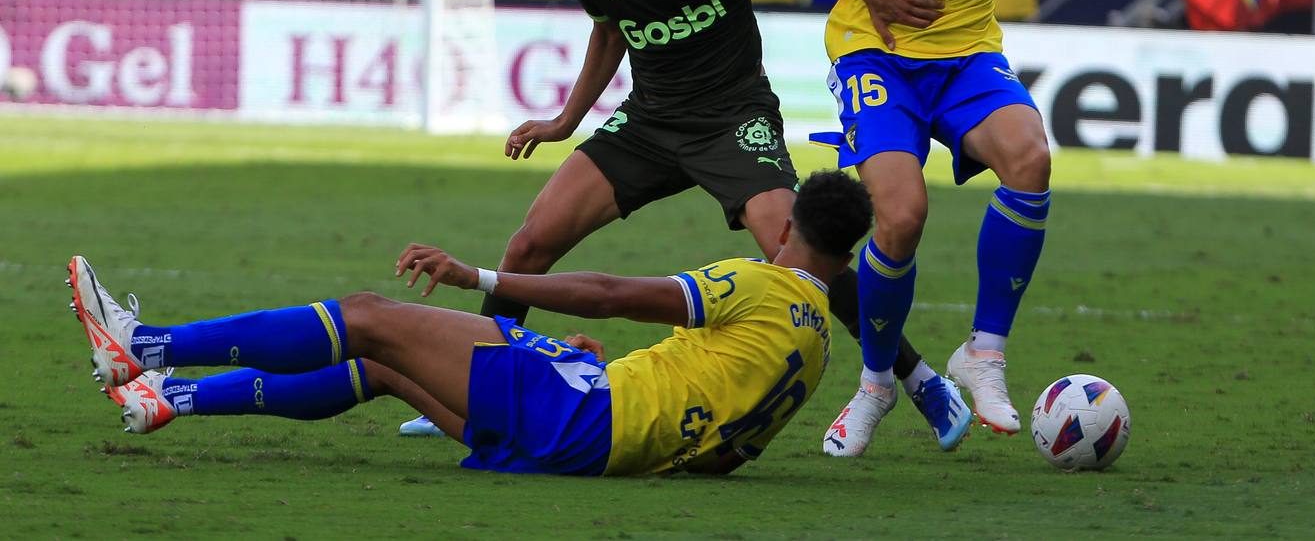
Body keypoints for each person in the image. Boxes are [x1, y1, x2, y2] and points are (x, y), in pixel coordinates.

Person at [394, 0, 972, 452]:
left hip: (733, 119)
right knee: (530, 244)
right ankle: (475, 384)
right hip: (648, 122)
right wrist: (565, 121)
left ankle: (919, 381)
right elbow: (611, 33)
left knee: (801, 257)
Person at [69, 171, 873, 476]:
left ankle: (142, 346)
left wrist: (479, 277)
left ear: (784, 228)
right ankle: (173, 399)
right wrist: (604, 387)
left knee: (370, 318)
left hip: (586, 415)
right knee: (388, 371)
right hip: (598, 434)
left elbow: (607, 290)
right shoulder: (817, 344)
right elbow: (721, 456)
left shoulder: (758, 281)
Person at [747, 0, 1073, 456]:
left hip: (965, 54)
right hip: (878, 53)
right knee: (900, 217)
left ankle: (984, 354)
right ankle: (875, 385)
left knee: (1031, 159)